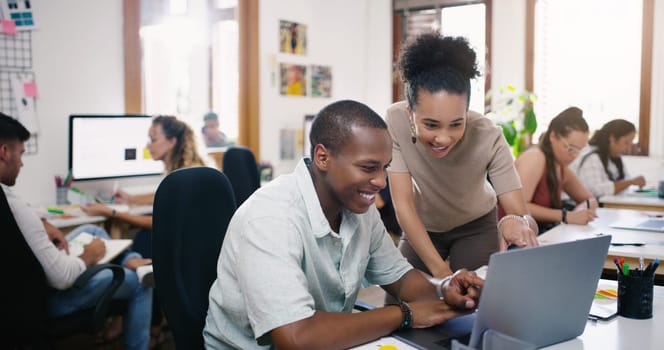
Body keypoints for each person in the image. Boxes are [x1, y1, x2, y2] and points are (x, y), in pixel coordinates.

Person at [203, 100, 484, 349]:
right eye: (367, 167)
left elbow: (401, 279)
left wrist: (444, 287)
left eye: (384, 167)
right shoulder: (271, 218)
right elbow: (295, 337)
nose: (381, 182)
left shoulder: (359, 209)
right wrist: (404, 314)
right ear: (323, 157)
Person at [386, 32, 538, 281]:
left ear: (467, 111)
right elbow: (402, 203)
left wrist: (514, 221)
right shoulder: (395, 121)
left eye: (456, 124)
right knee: (403, 304)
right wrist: (444, 276)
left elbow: (522, 214)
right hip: (421, 225)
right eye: (431, 125)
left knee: (476, 301)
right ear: (410, 113)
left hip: (475, 225)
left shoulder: (489, 134)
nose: (443, 138)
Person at [0, 113, 152, 350]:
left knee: (91, 229)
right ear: (4, 152)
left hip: (21, 293)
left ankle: (132, 260)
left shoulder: (9, 201)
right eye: (20, 154)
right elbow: (61, 278)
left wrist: (41, 221)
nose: (22, 163)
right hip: (46, 301)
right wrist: (88, 256)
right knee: (141, 281)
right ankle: (136, 268)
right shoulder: (16, 207)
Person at [81, 115, 206, 347]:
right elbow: (162, 196)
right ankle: (131, 319)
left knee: (144, 244)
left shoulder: (183, 176)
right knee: (141, 241)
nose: (148, 145)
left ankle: (150, 325)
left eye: (153, 139)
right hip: (185, 241)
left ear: (171, 142)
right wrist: (132, 199)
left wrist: (112, 213)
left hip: (188, 246)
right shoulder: (178, 170)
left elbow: (163, 223)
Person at [512, 107, 598, 231]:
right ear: (553, 136)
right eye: (571, 148)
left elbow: (589, 199)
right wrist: (566, 216)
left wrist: (585, 207)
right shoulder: (535, 157)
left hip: (540, 235)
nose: (574, 155)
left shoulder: (559, 166)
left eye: (580, 150)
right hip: (516, 237)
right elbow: (519, 208)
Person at [571, 119, 646, 198]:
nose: (628, 148)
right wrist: (630, 182)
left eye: (631, 143)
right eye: (626, 142)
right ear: (612, 139)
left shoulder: (615, 158)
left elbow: (625, 180)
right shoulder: (592, 158)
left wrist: (632, 182)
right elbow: (596, 191)